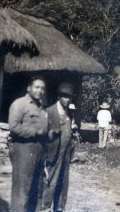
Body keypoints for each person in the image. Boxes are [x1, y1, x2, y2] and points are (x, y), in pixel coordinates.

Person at [8, 76, 49, 212]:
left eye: (42, 88)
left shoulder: (42, 108)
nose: (40, 91)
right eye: (37, 87)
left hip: (39, 152)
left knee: (36, 189)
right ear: (29, 88)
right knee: (22, 189)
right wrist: (35, 132)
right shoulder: (20, 104)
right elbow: (13, 127)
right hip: (23, 151)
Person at [43, 83, 77, 212]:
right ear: (59, 97)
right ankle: (45, 206)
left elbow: (70, 131)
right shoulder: (50, 111)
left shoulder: (69, 113)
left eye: (69, 98)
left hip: (66, 153)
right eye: (65, 97)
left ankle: (60, 207)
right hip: (53, 152)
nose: (67, 100)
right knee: (50, 180)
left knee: (63, 182)